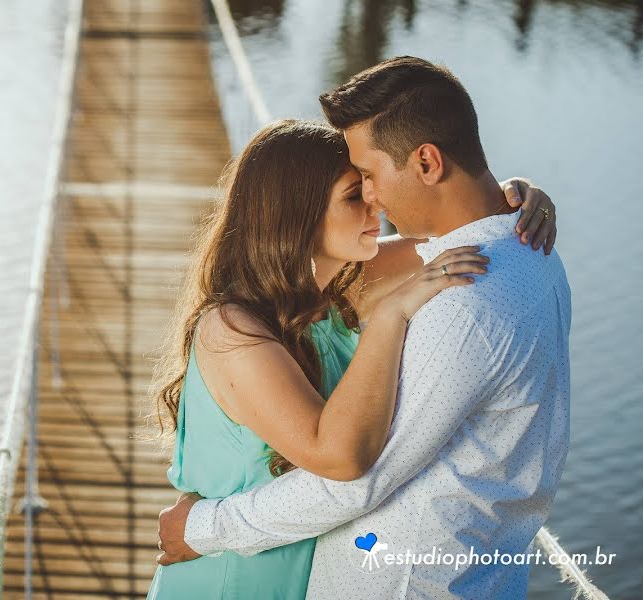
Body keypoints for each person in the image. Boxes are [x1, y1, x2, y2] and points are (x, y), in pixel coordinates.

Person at [147, 92, 562, 598]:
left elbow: (466, 226)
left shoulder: (343, 283)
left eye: (369, 184)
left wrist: (517, 197)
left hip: (304, 566)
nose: (376, 202)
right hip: (232, 574)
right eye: (353, 194)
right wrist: (391, 316)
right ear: (295, 214)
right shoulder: (232, 330)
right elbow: (340, 458)